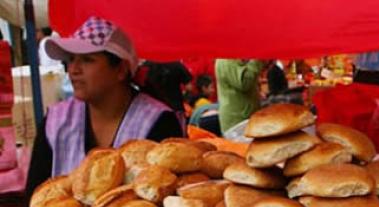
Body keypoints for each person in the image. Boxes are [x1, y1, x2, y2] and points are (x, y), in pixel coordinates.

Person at [25, 16, 183, 197]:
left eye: (87, 60)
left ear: (121, 70)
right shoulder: (56, 122)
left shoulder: (158, 121)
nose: (73, 69)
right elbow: (34, 198)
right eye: (71, 59)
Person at [215, 59, 264, 134]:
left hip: (246, 118)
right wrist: (257, 60)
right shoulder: (227, 60)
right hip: (238, 121)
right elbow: (244, 83)